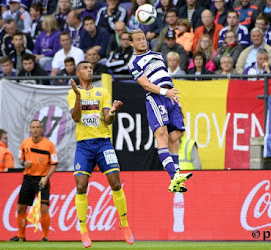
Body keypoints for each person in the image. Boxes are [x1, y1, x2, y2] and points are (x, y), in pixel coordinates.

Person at [67, 60, 134, 248]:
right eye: (86, 69)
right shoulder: (72, 94)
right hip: (84, 146)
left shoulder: (102, 92)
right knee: (81, 187)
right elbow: (76, 118)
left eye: (91, 68)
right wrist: (79, 96)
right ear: (78, 73)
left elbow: (108, 119)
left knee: (116, 183)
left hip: (103, 143)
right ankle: (83, 230)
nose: (89, 71)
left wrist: (112, 111)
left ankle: (125, 225)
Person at [128, 29, 193, 193]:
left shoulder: (158, 56)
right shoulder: (133, 63)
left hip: (170, 97)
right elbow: (145, 84)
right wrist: (165, 92)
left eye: (143, 38)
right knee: (162, 135)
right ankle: (174, 176)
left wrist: (176, 101)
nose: (142, 42)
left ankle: (176, 180)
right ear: (131, 43)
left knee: (175, 137)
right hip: (155, 97)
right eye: (138, 40)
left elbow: (166, 78)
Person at [9, 120, 58, 242]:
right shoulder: (25, 143)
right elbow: (21, 159)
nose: (35, 129)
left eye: (37, 127)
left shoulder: (49, 145)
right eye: (33, 127)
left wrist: (47, 177)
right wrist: (24, 163)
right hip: (28, 178)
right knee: (21, 207)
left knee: (44, 208)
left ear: (41, 129)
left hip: (42, 179)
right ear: (30, 129)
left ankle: (45, 237)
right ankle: (21, 236)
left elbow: (54, 164)